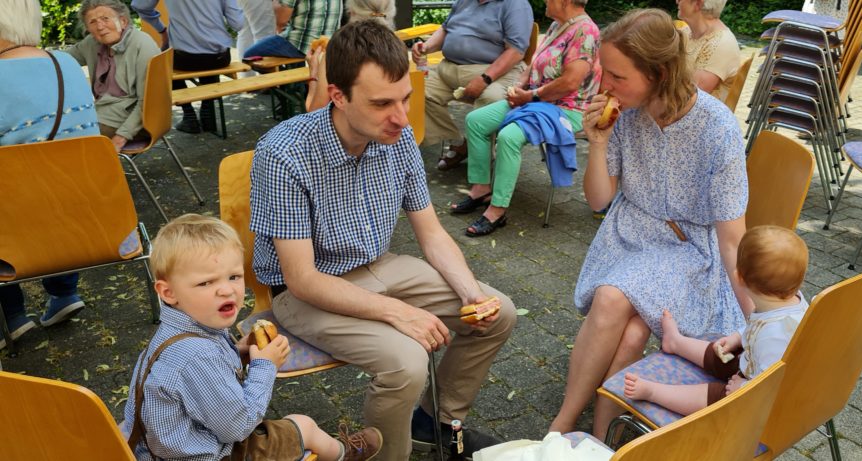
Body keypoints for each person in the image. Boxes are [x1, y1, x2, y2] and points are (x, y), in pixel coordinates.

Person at [250, 20, 516, 460]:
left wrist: (471, 294)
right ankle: (386, 454)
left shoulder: (398, 136)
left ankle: (433, 423)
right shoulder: (284, 153)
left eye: (405, 98)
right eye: (381, 103)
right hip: (306, 290)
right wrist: (401, 314)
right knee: (407, 362)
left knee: (498, 312)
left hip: (379, 265)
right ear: (338, 96)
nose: (401, 117)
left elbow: (431, 233)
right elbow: (301, 278)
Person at [548, 9, 752, 440]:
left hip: (688, 250)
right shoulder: (624, 115)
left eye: (617, 76)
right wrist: (598, 143)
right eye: (605, 72)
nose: (604, 85)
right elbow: (599, 200)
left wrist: (761, 319)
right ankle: (597, 436)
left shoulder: (717, 128)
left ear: (658, 73)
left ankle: (565, 427)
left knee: (611, 297)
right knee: (631, 333)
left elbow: (733, 241)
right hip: (629, 234)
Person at [120, 214, 382, 461]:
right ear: (168, 293)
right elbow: (238, 426)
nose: (226, 290)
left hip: (161, 448)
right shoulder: (198, 356)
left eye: (234, 276)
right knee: (304, 426)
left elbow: (201, 382)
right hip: (207, 454)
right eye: (206, 283)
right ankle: (344, 454)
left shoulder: (180, 331)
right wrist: (265, 366)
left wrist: (238, 353)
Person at [449, 0, 600, 236]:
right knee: (475, 120)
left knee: (509, 136)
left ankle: (498, 210)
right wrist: (517, 87)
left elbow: (570, 82)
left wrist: (530, 96)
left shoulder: (586, 31)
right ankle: (481, 190)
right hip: (536, 102)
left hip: (566, 109)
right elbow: (533, 64)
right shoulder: (558, 25)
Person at [623, 226, 809, 415]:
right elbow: (759, 323)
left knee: (715, 395)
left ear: (738, 277)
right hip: (753, 364)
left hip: (760, 403)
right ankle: (675, 342)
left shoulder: (774, 337)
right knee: (722, 354)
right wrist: (738, 336)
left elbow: (770, 388)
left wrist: (742, 388)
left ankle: (653, 392)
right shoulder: (789, 301)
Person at [0, 0, 101, 348]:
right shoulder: (66, 63)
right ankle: (64, 293)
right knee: (55, 183)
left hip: (21, 229)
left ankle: (11, 315)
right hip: (89, 217)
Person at [411, 0, 534, 170]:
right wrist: (426, 47)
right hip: (449, 69)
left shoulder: (515, 4)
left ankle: (480, 163)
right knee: (414, 90)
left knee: (492, 99)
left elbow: (516, 51)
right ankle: (460, 143)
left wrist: (485, 79)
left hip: (495, 72)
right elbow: (446, 29)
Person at [132, 0, 245, 133]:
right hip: (219, 57)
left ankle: (189, 114)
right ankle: (207, 111)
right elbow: (238, 24)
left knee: (165, 61)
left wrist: (161, 29)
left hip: (184, 59)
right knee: (209, 58)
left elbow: (139, 5)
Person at [66, 0, 160, 153]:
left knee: (66, 134)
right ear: (88, 28)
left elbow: (150, 102)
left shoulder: (142, 44)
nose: (100, 26)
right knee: (55, 124)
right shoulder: (92, 43)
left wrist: (122, 136)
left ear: (123, 21)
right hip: (104, 113)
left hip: (136, 122)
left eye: (105, 19)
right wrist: (31, 55)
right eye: (93, 22)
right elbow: (62, 59)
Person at [305, 0, 396, 112]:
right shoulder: (397, 49)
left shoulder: (337, 51)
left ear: (351, 12)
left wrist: (314, 72)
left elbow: (315, 112)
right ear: (391, 11)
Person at [675, 0, 741, 101]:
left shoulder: (721, 44)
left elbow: (689, 97)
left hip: (690, 109)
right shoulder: (686, 32)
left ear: (698, 4)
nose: (677, 1)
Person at [243, 0, 344, 58]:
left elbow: (282, 20)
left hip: (302, 45)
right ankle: (294, 83)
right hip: (328, 43)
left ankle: (279, 83)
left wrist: (275, 3)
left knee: (248, 55)